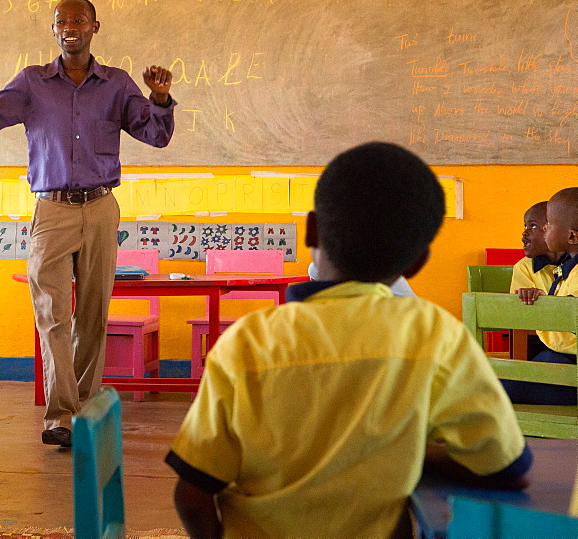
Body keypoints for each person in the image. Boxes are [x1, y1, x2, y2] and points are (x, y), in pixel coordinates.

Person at [165, 142, 530, 538]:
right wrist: (411, 454)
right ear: (417, 263)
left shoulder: (247, 342)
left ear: (311, 230)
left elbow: (192, 493)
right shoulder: (434, 334)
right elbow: (505, 468)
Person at [0, 0, 176, 447]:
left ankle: (84, 411)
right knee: (51, 315)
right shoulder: (32, 82)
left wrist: (160, 98)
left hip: (102, 208)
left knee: (93, 315)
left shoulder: (117, 85)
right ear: (53, 29)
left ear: (94, 27)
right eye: (61, 21)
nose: (70, 27)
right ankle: (61, 416)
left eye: (79, 20)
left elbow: (156, 136)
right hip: (52, 209)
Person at [506, 189, 578, 405]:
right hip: (559, 357)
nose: (546, 232)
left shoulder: (573, 272)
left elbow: (569, 313)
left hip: (570, 365)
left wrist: (545, 305)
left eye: (549, 226)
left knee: (494, 388)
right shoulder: (567, 270)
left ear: (571, 236)